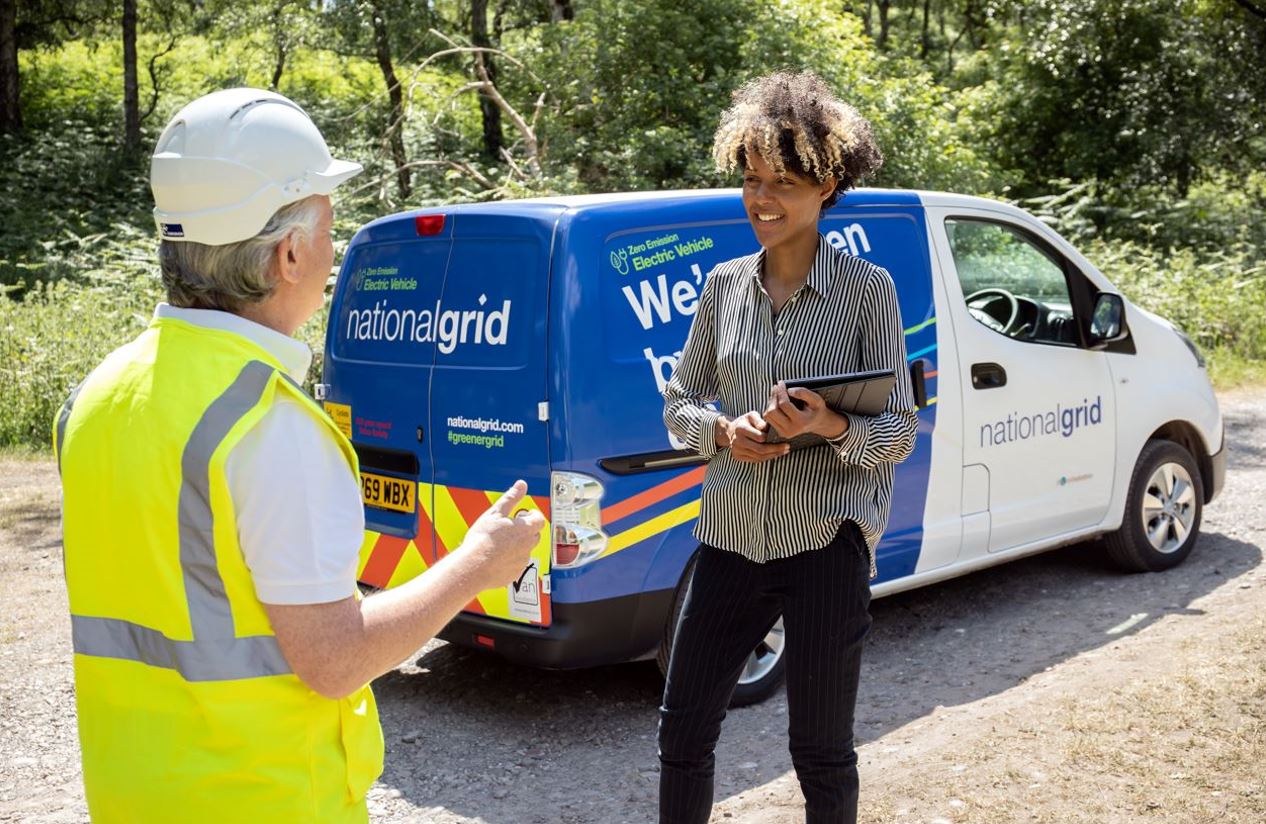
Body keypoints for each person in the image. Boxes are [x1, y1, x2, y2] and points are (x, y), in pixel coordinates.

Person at [52, 88, 545, 823]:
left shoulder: (95, 395)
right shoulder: (268, 428)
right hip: (262, 799)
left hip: (133, 797)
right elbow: (335, 659)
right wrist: (480, 563)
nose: (332, 253)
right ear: (288, 254)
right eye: (328, 231)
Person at [657, 72, 919, 824]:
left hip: (824, 549)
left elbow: (897, 432)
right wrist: (720, 431)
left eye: (782, 183)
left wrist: (829, 427)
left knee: (822, 750)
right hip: (730, 540)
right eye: (751, 180)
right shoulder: (721, 286)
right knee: (682, 733)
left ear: (827, 185)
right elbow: (676, 404)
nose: (761, 200)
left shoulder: (870, 292)